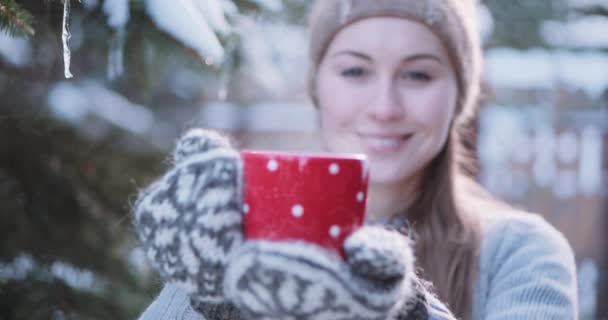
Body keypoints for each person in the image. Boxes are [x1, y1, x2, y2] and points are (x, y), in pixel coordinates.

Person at [132, 0, 578, 319]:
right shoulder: (249, 234)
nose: (384, 106)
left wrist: (406, 311)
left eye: (418, 74)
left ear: (460, 95)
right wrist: (204, 295)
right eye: (355, 71)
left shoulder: (521, 254)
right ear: (317, 87)